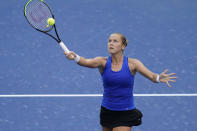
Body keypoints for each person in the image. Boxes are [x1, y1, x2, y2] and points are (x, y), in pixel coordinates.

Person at [65, 33, 177, 131]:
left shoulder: (133, 64)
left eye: (115, 41)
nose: (111, 43)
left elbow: (152, 76)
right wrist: (75, 57)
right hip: (106, 111)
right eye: (109, 41)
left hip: (125, 112)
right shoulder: (102, 62)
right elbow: (85, 62)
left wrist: (158, 78)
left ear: (123, 46)